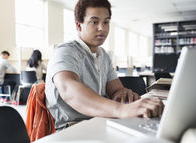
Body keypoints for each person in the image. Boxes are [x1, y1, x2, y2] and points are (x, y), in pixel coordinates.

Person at [45, 0, 164, 130]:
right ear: (79, 25)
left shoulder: (103, 55)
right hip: (72, 129)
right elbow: (69, 91)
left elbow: (116, 90)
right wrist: (121, 109)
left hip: (101, 122)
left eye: (106, 22)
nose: (102, 28)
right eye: (94, 22)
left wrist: (124, 95)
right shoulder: (65, 51)